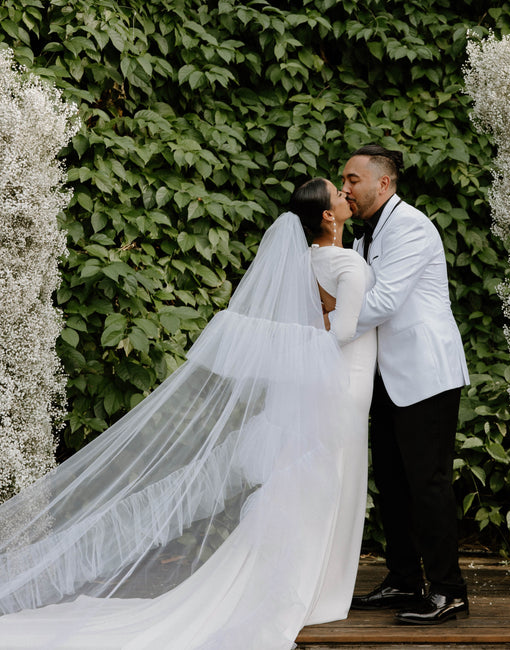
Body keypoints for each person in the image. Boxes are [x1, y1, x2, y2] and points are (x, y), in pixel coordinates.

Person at [0, 178, 376, 649]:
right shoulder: (347, 263)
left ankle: (306, 581)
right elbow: (341, 332)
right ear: (326, 215)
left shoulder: (303, 261)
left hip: (313, 385)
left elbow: (305, 320)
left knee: (301, 481)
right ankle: (316, 590)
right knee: (325, 482)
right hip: (339, 384)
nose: (346, 196)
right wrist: (329, 318)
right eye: (338, 195)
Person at [335, 144, 471, 625]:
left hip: (425, 375)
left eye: (353, 180)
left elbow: (384, 300)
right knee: (392, 484)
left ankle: (449, 591)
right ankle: (404, 580)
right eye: (345, 181)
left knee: (427, 484)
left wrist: (327, 323)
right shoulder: (362, 236)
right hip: (386, 376)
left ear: (383, 184)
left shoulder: (412, 227)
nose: (346, 187)